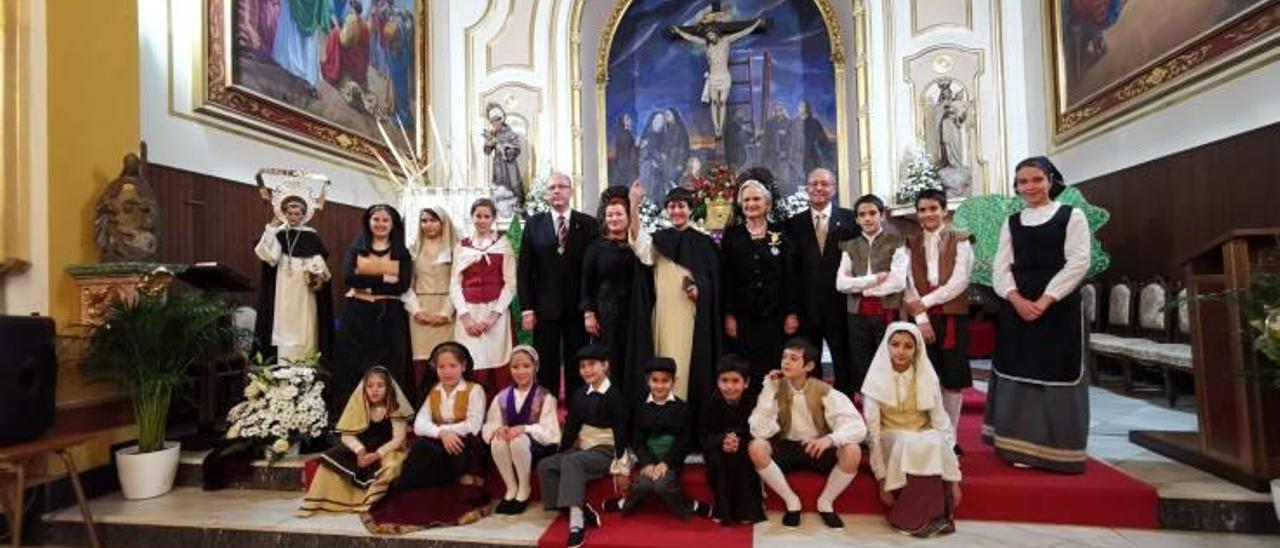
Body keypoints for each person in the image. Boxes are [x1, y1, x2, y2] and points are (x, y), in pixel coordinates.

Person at [984, 156, 1091, 474]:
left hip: (1059, 307)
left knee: (1057, 371)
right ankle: (1015, 446)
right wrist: (1015, 298)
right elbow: (1000, 266)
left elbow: (1078, 262)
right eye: (1022, 182)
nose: (1029, 187)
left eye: (1036, 179)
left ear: (1050, 180)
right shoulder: (1012, 222)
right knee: (1017, 370)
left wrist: (1045, 300)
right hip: (1017, 305)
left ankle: (1060, 451)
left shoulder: (1072, 217)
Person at [748, 337, 865, 530]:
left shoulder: (824, 390)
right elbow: (759, 430)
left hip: (817, 449)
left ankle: (826, 502)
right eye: (784, 357)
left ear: (808, 365)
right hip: (787, 447)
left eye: (794, 358)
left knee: (853, 450)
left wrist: (829, 439)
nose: (786, 362)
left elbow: (858, 426)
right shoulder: (774, 387)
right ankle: (791, 501)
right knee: (756, 446)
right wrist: (769, 390)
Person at [370, 342, 490, 531]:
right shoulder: (434, 391)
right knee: (421, 447)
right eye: (442, 367)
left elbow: (473, 425)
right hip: (440, 438)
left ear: (464, 366)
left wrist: (450, 432)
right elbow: (419, 425)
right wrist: (442, 432)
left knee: (437, 449)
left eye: (452, 366)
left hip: (464, 441)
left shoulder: (474, 390)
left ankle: (443, 492)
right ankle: (413, 497)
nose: (447, 371)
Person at [627, 183, 722, 411]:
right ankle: (665, 413)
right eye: (671, 207)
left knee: (689, 365)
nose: (676, 211)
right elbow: (639, 246)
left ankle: (687, 413)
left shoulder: (704, 243)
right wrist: (633, 204)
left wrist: (701, 290)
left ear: (690, 209)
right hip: (665, 314)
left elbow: (715, 282)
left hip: (691, 315)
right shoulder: (659, 240)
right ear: (666, 211)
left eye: (681, 206)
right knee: (666, 361)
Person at [862, 323, 962, 537]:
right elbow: (873, 432)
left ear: (917, 350)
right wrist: (882, 479)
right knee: (910, 442)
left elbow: (942, 423)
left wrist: (954, 480)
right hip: (892, 437)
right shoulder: (875, 380)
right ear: (886, 346)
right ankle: (909, 520)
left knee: (935, 439)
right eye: (895, 344)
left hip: (921, 435)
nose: (901, 351)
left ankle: (934, 517)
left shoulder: (927, 377)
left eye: (908, 346)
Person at [537, 344, 631, 548]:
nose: (586, 370)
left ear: (605, 366)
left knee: (572, 462)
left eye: (592, 365)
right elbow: (571, 428)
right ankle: (573, 505)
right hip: (583, 449)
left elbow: (622, 433)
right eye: (582, 366)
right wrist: (561, 452)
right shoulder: (579, 394)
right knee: (547, 465)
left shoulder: (615, 396)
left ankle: (577, 523)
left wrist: (622, 467)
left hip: (606, 450)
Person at [519, 172, 600, 397]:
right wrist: (527, 308)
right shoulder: (535, 224)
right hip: (545, 308)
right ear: (546, 194)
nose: (556, 191)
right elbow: (525, 270)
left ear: (570, 191)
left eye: (562, 187)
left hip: (578, 307)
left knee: (578, 360)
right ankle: (547, 407)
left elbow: (592, 270)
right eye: (552, 187)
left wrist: (590, 308)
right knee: (546, 362)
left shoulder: (588, 224)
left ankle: (578, 406)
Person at [903, 189, 973, 444]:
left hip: (951, 313)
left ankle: (949, 436)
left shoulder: (961, 239)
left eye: (933, 208)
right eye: (922, 209)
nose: (928, 214)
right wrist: (921, 319)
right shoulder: (910, 243)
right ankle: (928, 430)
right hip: (920, 317)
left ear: (944, 211)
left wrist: (925, 303)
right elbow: (907, 282)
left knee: (952, 375)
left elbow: (960, 280)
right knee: (923, 375)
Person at [602, 358, 713, 520]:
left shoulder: (682, 408)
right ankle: (625, 503)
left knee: (662, 486)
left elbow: (684, 441)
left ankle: (690, 505)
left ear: (673, 382)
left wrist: (665, 463)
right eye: (655, 380)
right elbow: (637, 440)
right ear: (648, 381)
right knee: (643, 486)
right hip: (650, 458)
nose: (660, 385)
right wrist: (647, 463)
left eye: (665, 381)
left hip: (672, 459)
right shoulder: (641, 408)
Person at [333, 204, 413, 415]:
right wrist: (384, 278)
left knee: (389, 365)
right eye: (376, 219)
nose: (380, 224)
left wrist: (365, 282)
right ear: (368, 222)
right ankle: (354, 416)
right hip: (357, 313)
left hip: (389, 316)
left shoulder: (402, 252)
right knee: (353, 364)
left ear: (393, 224)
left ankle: (389, 417)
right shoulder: (355, 249)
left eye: (385, 220)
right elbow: (349, 278)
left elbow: (402, 285)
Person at [299, 366, 411, 516]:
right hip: (363, 448)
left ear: (389, 388)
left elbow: (399, 438)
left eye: (380, 386)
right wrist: (360, 450)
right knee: (329, 459)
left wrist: (376, 455)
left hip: (387, 449)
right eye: (370, 386)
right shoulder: (359, 406)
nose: (374, 390)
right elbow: (347, 435)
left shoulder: (395, 409)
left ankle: (370, 502)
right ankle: (329, 501)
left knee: (392, 465)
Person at [721, 178, 798, 392]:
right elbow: (726, 278)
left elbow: (790, 276)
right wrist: (729, 315)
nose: (751, 204)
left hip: (775, 314)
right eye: (746, 200)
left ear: (766, 202)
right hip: (744, 316)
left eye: (756, 199)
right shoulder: (732, 235)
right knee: (747, 366)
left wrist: (791, 312)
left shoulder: (780, 233)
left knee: (774, 364)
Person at [784, 168, 857, 394]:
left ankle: (845, 411)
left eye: (824, 184)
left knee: (845, 363)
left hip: (841, 306)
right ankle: (812, 409)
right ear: (806, 188)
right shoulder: (792, 224)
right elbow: (789, 272)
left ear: (833, 189)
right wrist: (792, 311)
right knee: (808, 363)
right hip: (807, 310)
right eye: (814, 184)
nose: (819, 188)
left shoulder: (850, 220)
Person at [836, 194, 908, 393]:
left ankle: (891, 415)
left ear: (882, 215)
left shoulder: (897, 242)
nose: (867, 218)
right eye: (862, 215)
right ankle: (871, 417)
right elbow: (841, 284)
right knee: (863, 366)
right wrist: (874, 280)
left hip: (887, 313)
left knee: (889, 364)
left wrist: (859, 287)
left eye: (872, 213)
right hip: (856, 316)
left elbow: (898, 281)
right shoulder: (849, 246)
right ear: (856, 219)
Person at [253, 194, 334, 364]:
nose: (293, 217)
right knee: (283, 325)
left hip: (304, 288)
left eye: (297, 213)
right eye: (289, 213)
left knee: (306, 327)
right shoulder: (279, 233)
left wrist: (318, 273)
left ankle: (307, 371)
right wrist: (272, 225)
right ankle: (283, 367)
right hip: (283, 286)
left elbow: (318, 260)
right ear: (284, 213)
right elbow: (265, 253)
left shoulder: (311, 235)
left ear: (304, 214)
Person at [482, 345, 561, 515]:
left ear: (535, 368)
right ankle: (511, 488)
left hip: (536, 448)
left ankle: (524, 489)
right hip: (509, 447)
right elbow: (490, 423)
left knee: (518, 440)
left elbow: (551, 432)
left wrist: (524, 428)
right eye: (515, 367)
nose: (520, 371)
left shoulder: (545, 396)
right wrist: (499, 429)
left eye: (526, 366)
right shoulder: (501, 397)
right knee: (498, 439)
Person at [450, 198, 516, 394]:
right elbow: (454, 283)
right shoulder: (462, 246)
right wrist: (465, 317)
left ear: (493, 219)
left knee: (496, 357)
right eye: (478, 216)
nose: (482, 220)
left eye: (487, 216)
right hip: (469, 311)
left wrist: (493, 317)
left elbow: (511, 284)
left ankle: (496, 407)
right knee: (470, 358)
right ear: (472, 217)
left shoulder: (503, 245)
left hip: (495, 311)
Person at [699, 355, 766, 525]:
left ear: (746, 382)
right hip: (717, 448)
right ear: (717, 382)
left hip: (745, 447)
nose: (730, 386)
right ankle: (723, 510)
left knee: (743, 459)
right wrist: (723, 441)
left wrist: (738, 441)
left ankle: (747, 509)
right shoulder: (709, 403)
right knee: (718, 460)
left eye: (736, 381)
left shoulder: (755, 402)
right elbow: (703, 436)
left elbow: (760, 431)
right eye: (725, 380)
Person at [581, 187, 638, 386]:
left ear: (628, 216)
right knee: (609, 360)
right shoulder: (595, 247)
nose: (614, 218)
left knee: (631, 359)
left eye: (619, 214)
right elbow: (586, 282)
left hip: (633, 312)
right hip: (606, 315)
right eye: (610, 215)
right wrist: (589, 313)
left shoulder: (637, 246)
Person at [407, 206, 457, 400]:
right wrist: (417, 311)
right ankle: (423, 404)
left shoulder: (455, 249)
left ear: (443, 223)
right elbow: (406, 284)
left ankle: (449, 404)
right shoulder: (413, 249)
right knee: (421, 360)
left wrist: (445, 314)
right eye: (424, 220)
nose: (428, 225)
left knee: (446, 359)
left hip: (447, 310)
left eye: (433, 220)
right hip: (419, 310)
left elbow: (457, 283)